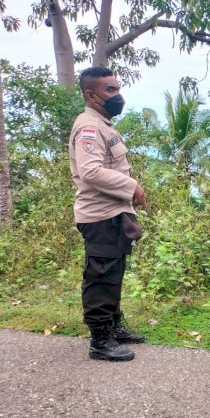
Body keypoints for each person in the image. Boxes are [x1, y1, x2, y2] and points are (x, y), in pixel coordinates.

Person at [69, 66, 147, 362]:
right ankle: (100, 340)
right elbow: (90, 172)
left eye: (117, 88)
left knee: (113, 274)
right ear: (90, 95)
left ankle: (114, 326)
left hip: (113, 212)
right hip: (99, 215)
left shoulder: (104, 124)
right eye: (109, 90)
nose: (117, 95)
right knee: (101, 276)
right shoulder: (89, 126)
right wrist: (132, 186)